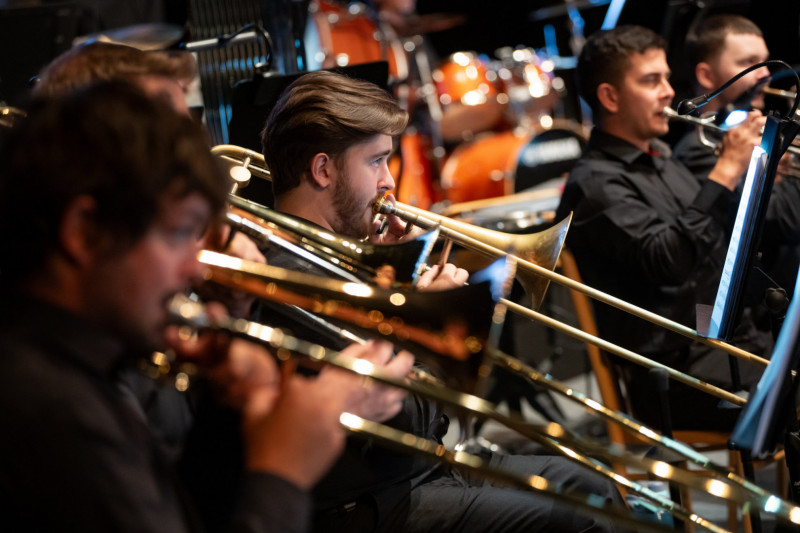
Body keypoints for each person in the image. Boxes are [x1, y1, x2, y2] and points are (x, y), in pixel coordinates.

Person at [0, 81, 412, 532]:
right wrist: (283, 475)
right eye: (179, 233)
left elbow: (188, 514)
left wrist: (228, 408)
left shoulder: (80, 367)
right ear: (84, 232)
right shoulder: (48, 411)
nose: (196, 270)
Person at [261, 69, 630, 533]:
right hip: (376, 504)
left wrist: (400, 271)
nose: (388, 181)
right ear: (322, 170)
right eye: (376, 161)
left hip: (420, 470)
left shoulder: (343, 253)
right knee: (580, 517)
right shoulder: (290, 277)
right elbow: (404, 423)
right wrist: (428, 320)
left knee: (591, 485)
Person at [555, 24, 774, 432]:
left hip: (725, 343)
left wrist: (764, 171)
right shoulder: (595, 184)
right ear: (610, 97)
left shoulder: (660, 156)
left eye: (667, 78)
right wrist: (725, 171)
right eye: (651, 81)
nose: (669, 92)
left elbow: (718, 241)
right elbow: (671, 261)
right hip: (673, 377)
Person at [674, 14, 800, 307]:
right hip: (763, 308)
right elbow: (785, 220)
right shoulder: (698, 148)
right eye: (748, 63)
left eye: (765, 62)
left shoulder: (762, 131)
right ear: (706, 76)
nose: (765, 74)